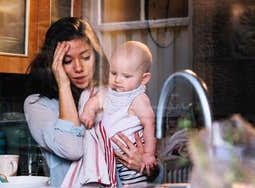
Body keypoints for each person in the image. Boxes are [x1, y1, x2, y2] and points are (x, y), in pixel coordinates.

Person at [24, 17, 160, 187]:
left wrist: (146, 166)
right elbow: (72, 149)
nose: (79, 68)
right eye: (67, 61)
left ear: (95, 56)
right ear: (54, 63)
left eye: (86, 57)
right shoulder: (38, 105)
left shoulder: (115, 96)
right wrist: (63, 84)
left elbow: (155, 172)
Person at [80, 41, 157, 186]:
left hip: (132, 156)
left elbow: (149, 125)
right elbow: (95, 101)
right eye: (113, 73)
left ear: (144, 79)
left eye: (126, 76)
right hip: (113, 157)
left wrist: (148, 154)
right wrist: (88, 111)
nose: (117, 80)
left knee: (135, 184)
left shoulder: (138, 99)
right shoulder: (111, 93)